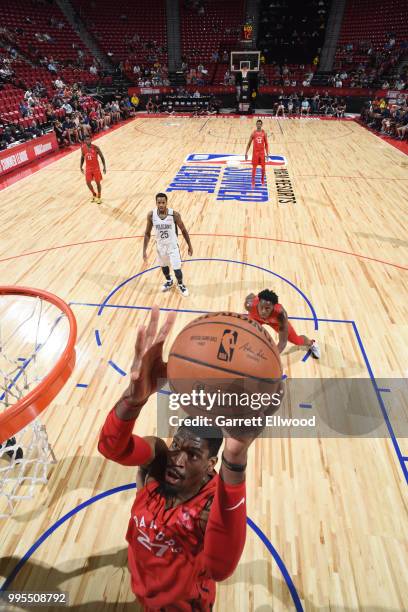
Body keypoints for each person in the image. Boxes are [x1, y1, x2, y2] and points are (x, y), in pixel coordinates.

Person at [98, 307, 268, 610]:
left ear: (210, 465)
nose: (178, 458)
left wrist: (236, 458)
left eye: (192, 455)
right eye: (178, 446)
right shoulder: (159, 460)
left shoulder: (211, 504)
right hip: (143, 592)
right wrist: (133, 400)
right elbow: (111, 447)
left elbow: (220, 568)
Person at [244, 289, 321, 358]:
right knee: (247, 332)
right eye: (261, 307)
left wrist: (271, 357)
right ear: (258, 303)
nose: (263, 311)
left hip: (276, 323)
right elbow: (251, 295)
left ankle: (312, 343)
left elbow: (282, 343)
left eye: (267, 308)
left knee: (296, 341)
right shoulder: (249, 304)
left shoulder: (281, 315)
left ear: (273, 307)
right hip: (256, 318)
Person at [143, 193, 192, 296]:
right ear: (156, 203)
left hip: (172, 246)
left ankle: (181, 284)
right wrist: (144, 250)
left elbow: (183, 230)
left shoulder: (174, 215)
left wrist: (189, 245)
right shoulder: (151, 215)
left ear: (166, 203)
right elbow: (147, 233)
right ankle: (169, 281)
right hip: (160, 247)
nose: (161, 205)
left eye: (163, 202)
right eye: (159, 202)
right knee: (164, 268)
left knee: (177, 269)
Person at [80, 135, 106, 204]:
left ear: (91, 140)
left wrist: (104, 167)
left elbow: (102, 157)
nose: (88, 141)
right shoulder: (83, 148)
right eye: (86, 140)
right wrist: (80, 166)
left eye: (89, 139)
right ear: (85, 141)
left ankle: (99, 197)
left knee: (98, 183)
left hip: (96, 168)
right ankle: (94, 194)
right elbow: (82, 157)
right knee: (88, 182)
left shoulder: (96, 148)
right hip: (88, 168)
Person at [244, 119, 269, 189]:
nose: (258, 125)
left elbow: (266, 144)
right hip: (255, 153)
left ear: (261, 125)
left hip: (262, 153)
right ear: (256, 125)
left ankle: (262, 180)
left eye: (260, 124)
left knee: (263, 168)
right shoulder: (253, 133)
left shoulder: (264, 133)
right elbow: (249, 144)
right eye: (257, 124)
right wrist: (246, 152)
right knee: (254, 168)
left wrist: (267, 153)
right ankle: (253, 181)